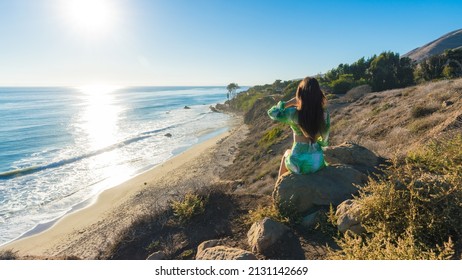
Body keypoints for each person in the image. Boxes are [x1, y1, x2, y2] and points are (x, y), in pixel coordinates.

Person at [268, 77, 330, 177]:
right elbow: (325, 139)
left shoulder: (293, 113)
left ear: (300, 94)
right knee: (312, 157)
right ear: (318, 94)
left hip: (297, 162)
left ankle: (278, 188)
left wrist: (289, 103)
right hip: (316, 162)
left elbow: (272, 113)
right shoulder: (324, 113)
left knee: (286, 154)